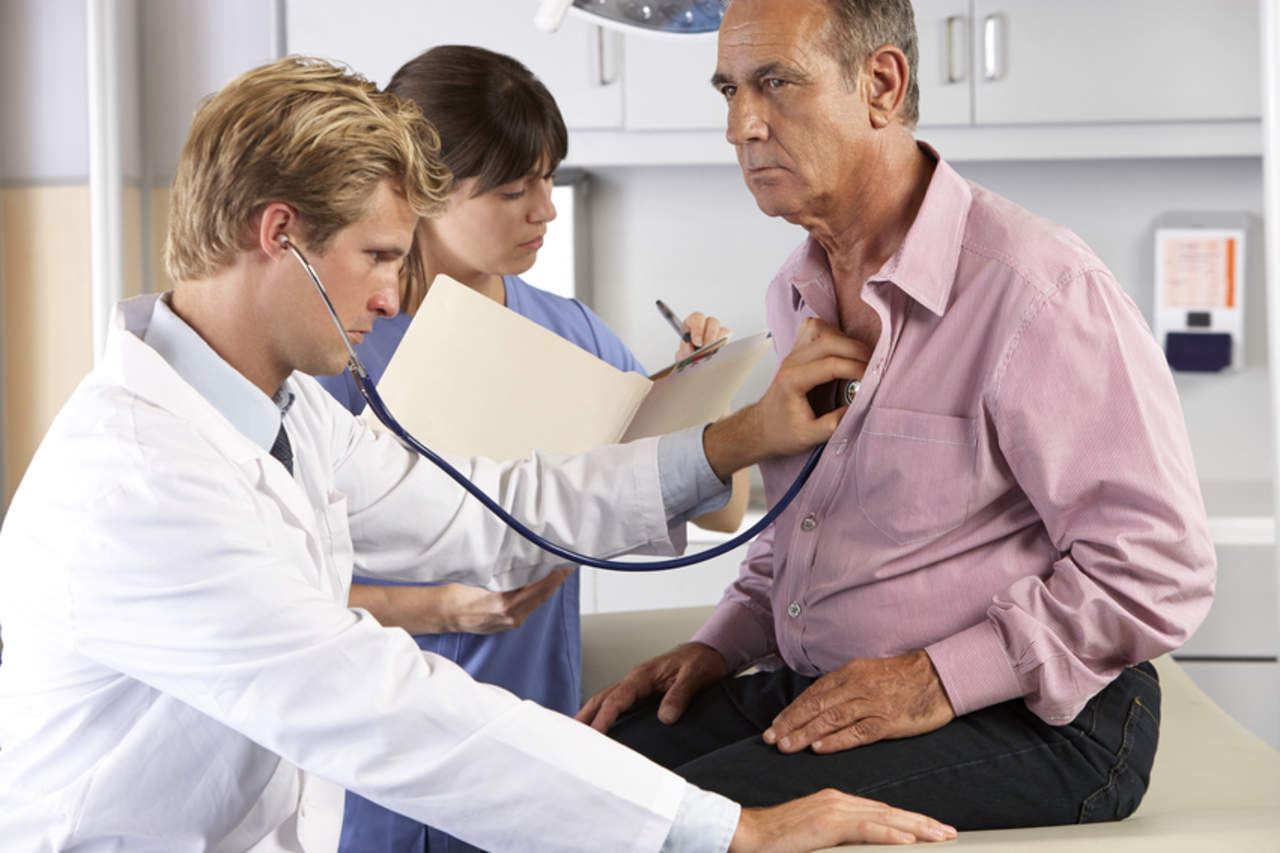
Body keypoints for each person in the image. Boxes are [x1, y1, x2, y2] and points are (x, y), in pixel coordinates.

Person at [0, 56, 960, 851]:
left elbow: (495, 510)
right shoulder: (140, 482)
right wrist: (728, 830)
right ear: (279, 234)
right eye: (379, 255)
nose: (392, 295)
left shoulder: (287, 419)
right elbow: (381, 708)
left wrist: (732, 438)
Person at [579, 0, 1217, 832]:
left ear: (881, 84)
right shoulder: (797, 290)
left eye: (775, 83)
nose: (740, 126)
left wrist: (935, 677)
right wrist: (719, 644)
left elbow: (1159, 567)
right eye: (729, 90)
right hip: (840, 681)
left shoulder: (1038, 289)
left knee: (674, 827)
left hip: (1042, 718)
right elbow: (804, 538)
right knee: (569, 775)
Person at [315, 45, 743, 853]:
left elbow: (722, 511)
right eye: (513, 190)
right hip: (398, 765)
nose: (544, 210)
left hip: (545, 758)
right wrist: (438, 608)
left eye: (547, 180)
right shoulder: (342, 351)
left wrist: (703, 395)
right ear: (420, 188)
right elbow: (280, 591)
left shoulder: (570, 331)